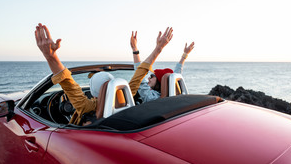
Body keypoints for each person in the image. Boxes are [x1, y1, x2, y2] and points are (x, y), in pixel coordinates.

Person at [35, 23, 173, 125]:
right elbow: (140, 72)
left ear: (94, 94)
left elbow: (67, 81)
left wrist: (50, 56)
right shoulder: (127, 95)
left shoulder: (87, 107)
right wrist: (158, 48)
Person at [129, 30, 195, 104]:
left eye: (152, 76)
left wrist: (135, 49)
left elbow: (139, 77)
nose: (148, 78)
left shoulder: (152, 97)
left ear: (159, 81)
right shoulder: (172, 95)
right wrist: (185, 54)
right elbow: (176, 74)